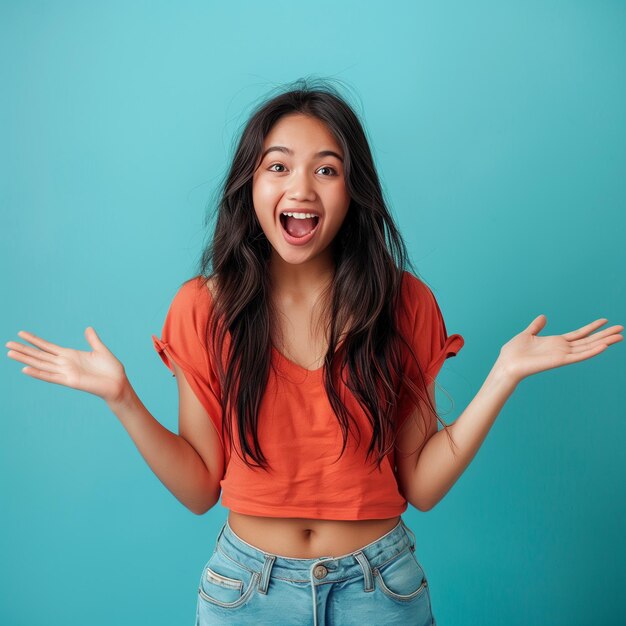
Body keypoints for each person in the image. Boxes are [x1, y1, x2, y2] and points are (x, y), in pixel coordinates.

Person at [6, 79, 622, 626]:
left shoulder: (404, 304)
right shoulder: (204, 309)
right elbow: (200, 488)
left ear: (353, 188)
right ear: (250, 182)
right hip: (246, 593)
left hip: (382, 591)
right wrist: (122, 399)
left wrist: (504, 375)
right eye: (278, 166)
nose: (301, 186)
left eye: (327, 169)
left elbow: (422, 486)